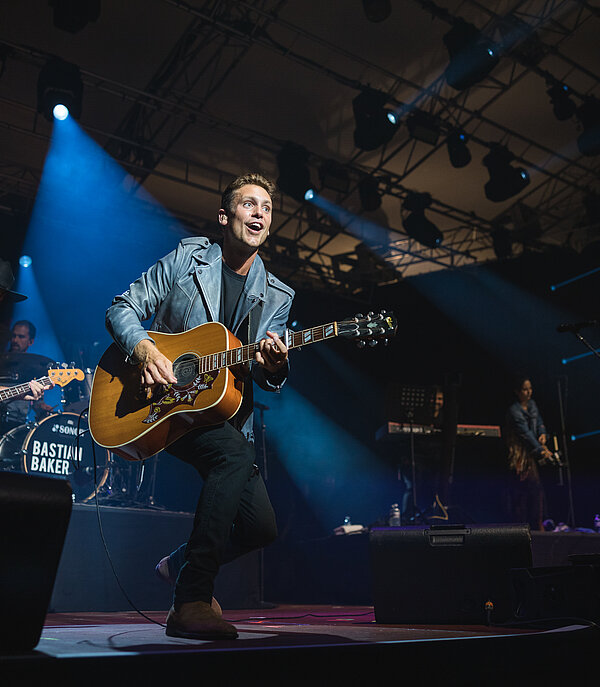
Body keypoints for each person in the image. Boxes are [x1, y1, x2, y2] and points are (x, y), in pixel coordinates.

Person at [105, 173, 294, 640]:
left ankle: (179, 562)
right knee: (233, 456)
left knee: (261, 528)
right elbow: (121, 309)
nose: (259, 213)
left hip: (220, 412)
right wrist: (145, 350)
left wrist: (273, 364)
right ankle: (191, 600)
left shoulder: (277, 297)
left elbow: (264, 376)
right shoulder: (187, 259)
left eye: (267, 208)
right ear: (224, 216)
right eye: (249, 204)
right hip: (160, 405)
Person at [0, 261, 52, 434]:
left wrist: (21, 394)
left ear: (31, 341)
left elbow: (37, 405)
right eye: (0, 294)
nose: (1, 300)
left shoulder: (34, 367)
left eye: (3, 296)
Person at [504, 376, 553, 531]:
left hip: (531, 453)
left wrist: (543, 433)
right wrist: (541, 450)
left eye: (530, 388)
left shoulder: (532, 405)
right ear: (517, 392)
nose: (528, 392)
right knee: (524, 490)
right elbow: (525, 433)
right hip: (520, 455)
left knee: (534, 489)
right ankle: (525, 527)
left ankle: (537, 524)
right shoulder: (514, 411)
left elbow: (539, 422)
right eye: (525, 389)